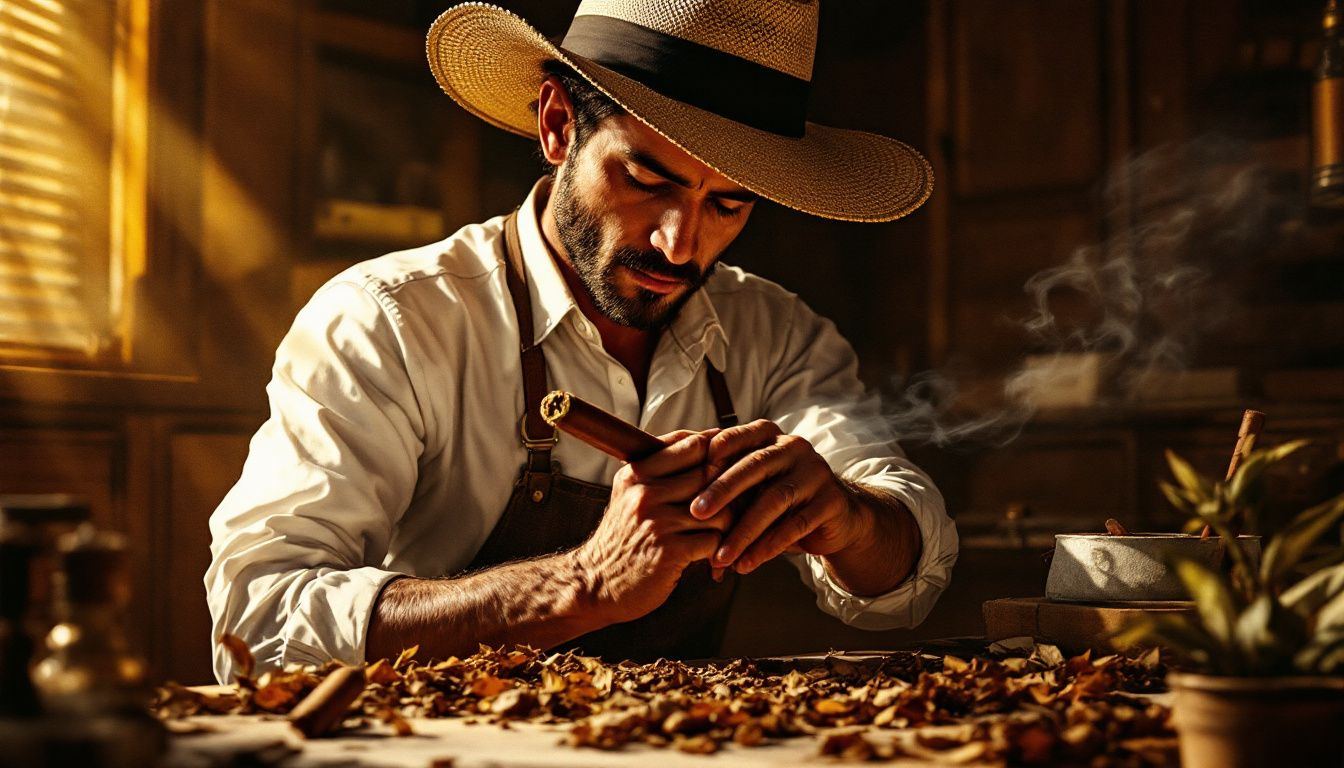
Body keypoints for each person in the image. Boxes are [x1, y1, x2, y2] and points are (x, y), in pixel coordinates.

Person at [206, 0, 958, 683]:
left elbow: (904, 582)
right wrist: (583, 585)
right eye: (644, 179)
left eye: (728, 204)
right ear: (558, 124)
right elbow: (259, 618)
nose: (680, 244)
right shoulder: (390, 321)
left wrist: (851, 519)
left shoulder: (775, 332)